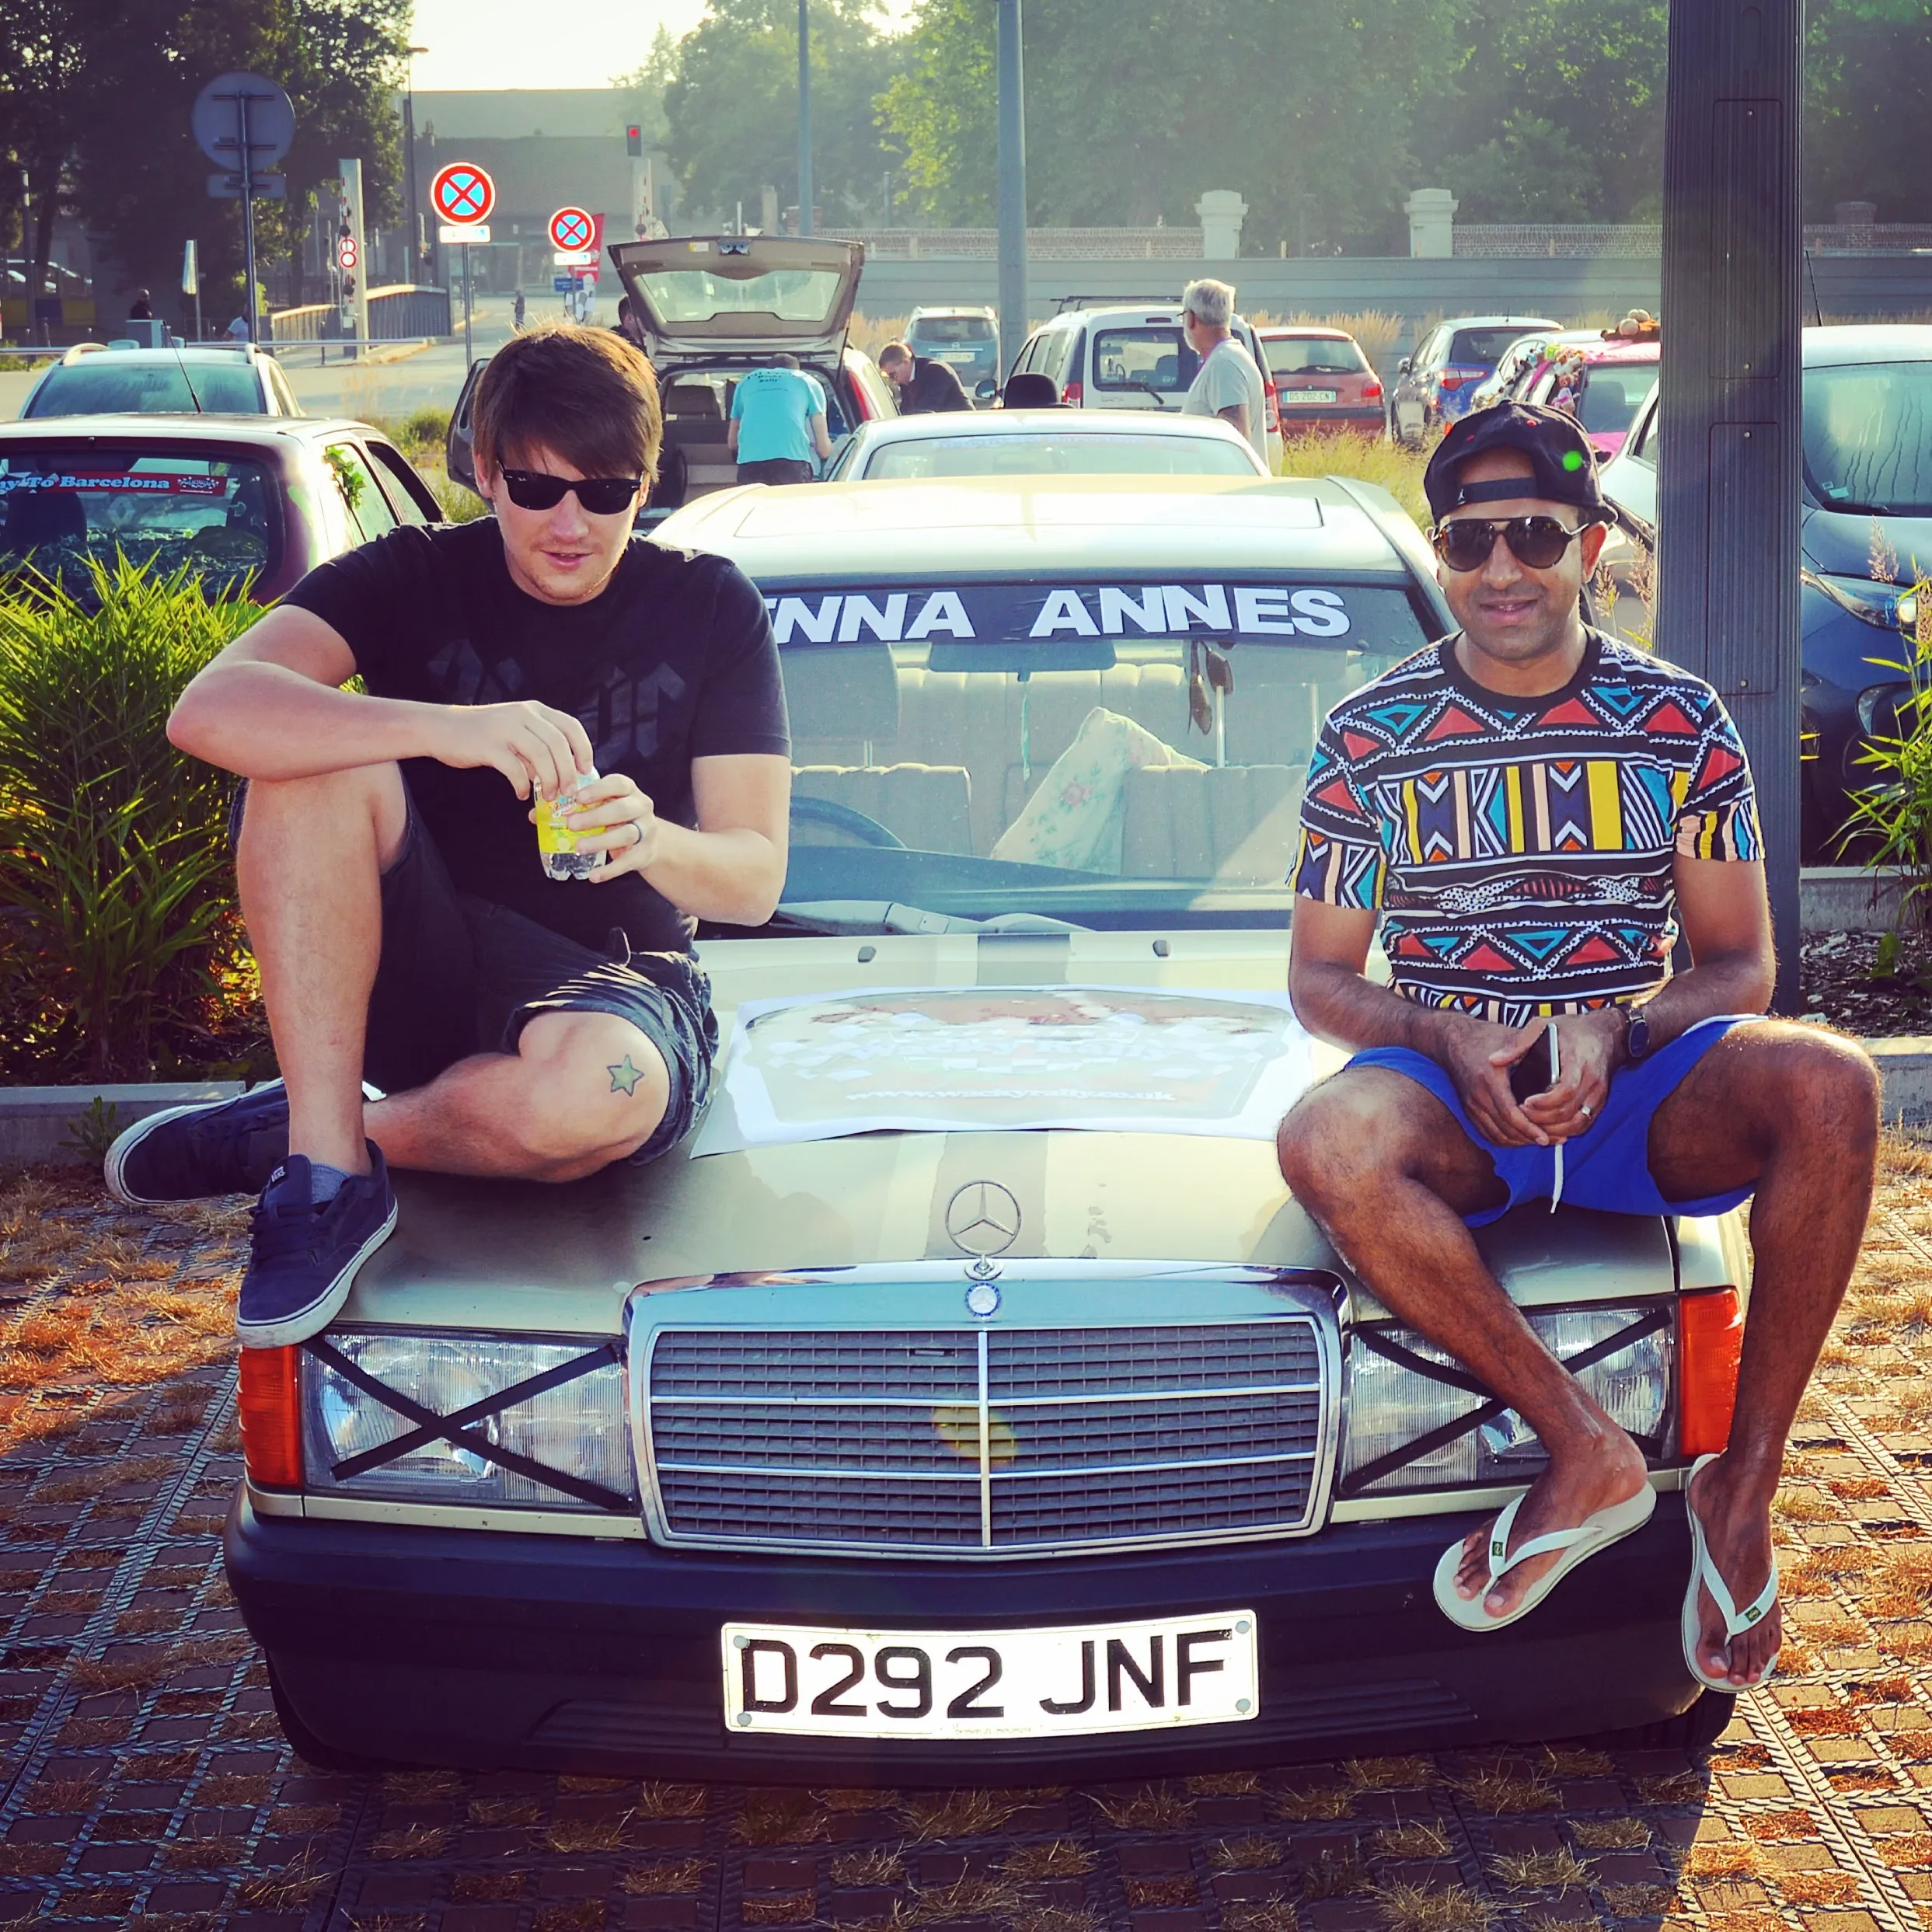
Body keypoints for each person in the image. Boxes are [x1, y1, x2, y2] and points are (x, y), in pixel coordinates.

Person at [1275, 400, 1879, 1693]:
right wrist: (1441, 1024)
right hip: (1453, 1089)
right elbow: (1321, 982)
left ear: (1590, 544)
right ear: (1441, 550)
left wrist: (1615, 1023)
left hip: (1639, 1093)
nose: (1500, 569)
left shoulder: (1680, 719)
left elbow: (1740, 964)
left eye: (1534, 535)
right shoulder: (1367, 735)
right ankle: (1586, 1448)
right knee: (1322, 1134)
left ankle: (1741, 1484)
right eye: (1468, 538)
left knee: (1835, 1083)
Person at [105, 323, 791, 1348]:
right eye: (536, 488)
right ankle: (328, 1182)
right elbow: (209, 710)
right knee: (308, 757)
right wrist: (444, 729)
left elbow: (752, 879)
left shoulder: (706, 602)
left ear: (645, 485)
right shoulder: (412, 574)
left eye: (606, 492)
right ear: (482, 471)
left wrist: (652, 837)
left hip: (617, 973)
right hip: (418, 955)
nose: (572, 522)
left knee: (582, 1110)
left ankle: (304, 1136)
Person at [1177, 277, 1267, 464]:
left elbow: (1234, 438)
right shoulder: (1229, 357)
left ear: (1191, 318)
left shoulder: (1224, 364)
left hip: (1225, 488)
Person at [727, 352, 832, 484]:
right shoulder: (808, 381)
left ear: (769, 369)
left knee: (755, 505)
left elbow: (732, 443)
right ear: (797, 369)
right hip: (792, 464)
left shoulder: (746, 382)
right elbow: (823, 449)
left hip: (750, 464)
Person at [878, 340, 971, 414]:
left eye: (893, 375)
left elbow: (926, 409)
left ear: (906, 363)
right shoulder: (906, 382)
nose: (893, 380)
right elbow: (905, 411)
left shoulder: (935, 371)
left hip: (963, 429)